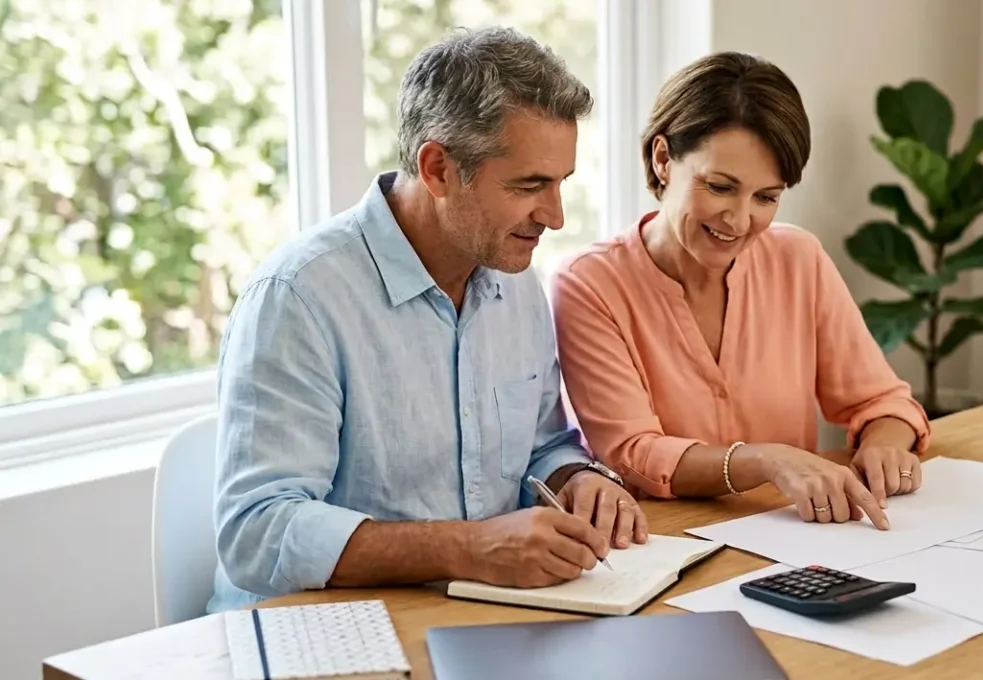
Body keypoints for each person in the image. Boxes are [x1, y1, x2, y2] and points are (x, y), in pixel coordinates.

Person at [207, 27, 646, 613]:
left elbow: (542, 445)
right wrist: (469, 548)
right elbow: (257, 533)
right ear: (437, 168)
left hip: (478, 615)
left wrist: (578, 480)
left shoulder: (517, 281)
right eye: (528, 185)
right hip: (320, 633)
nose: (556, 216)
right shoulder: (298, 297)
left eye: (560, 183)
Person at [550, 51, 931, 531]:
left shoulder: (799, 259)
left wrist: (884, 445)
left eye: (766, 197)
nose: (739, 219)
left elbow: (881, 402)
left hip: (802, 540)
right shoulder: (589, 284)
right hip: (660, 545)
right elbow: (633, 453)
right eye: (720, 187)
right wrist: (769, 461)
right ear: (663, 159)